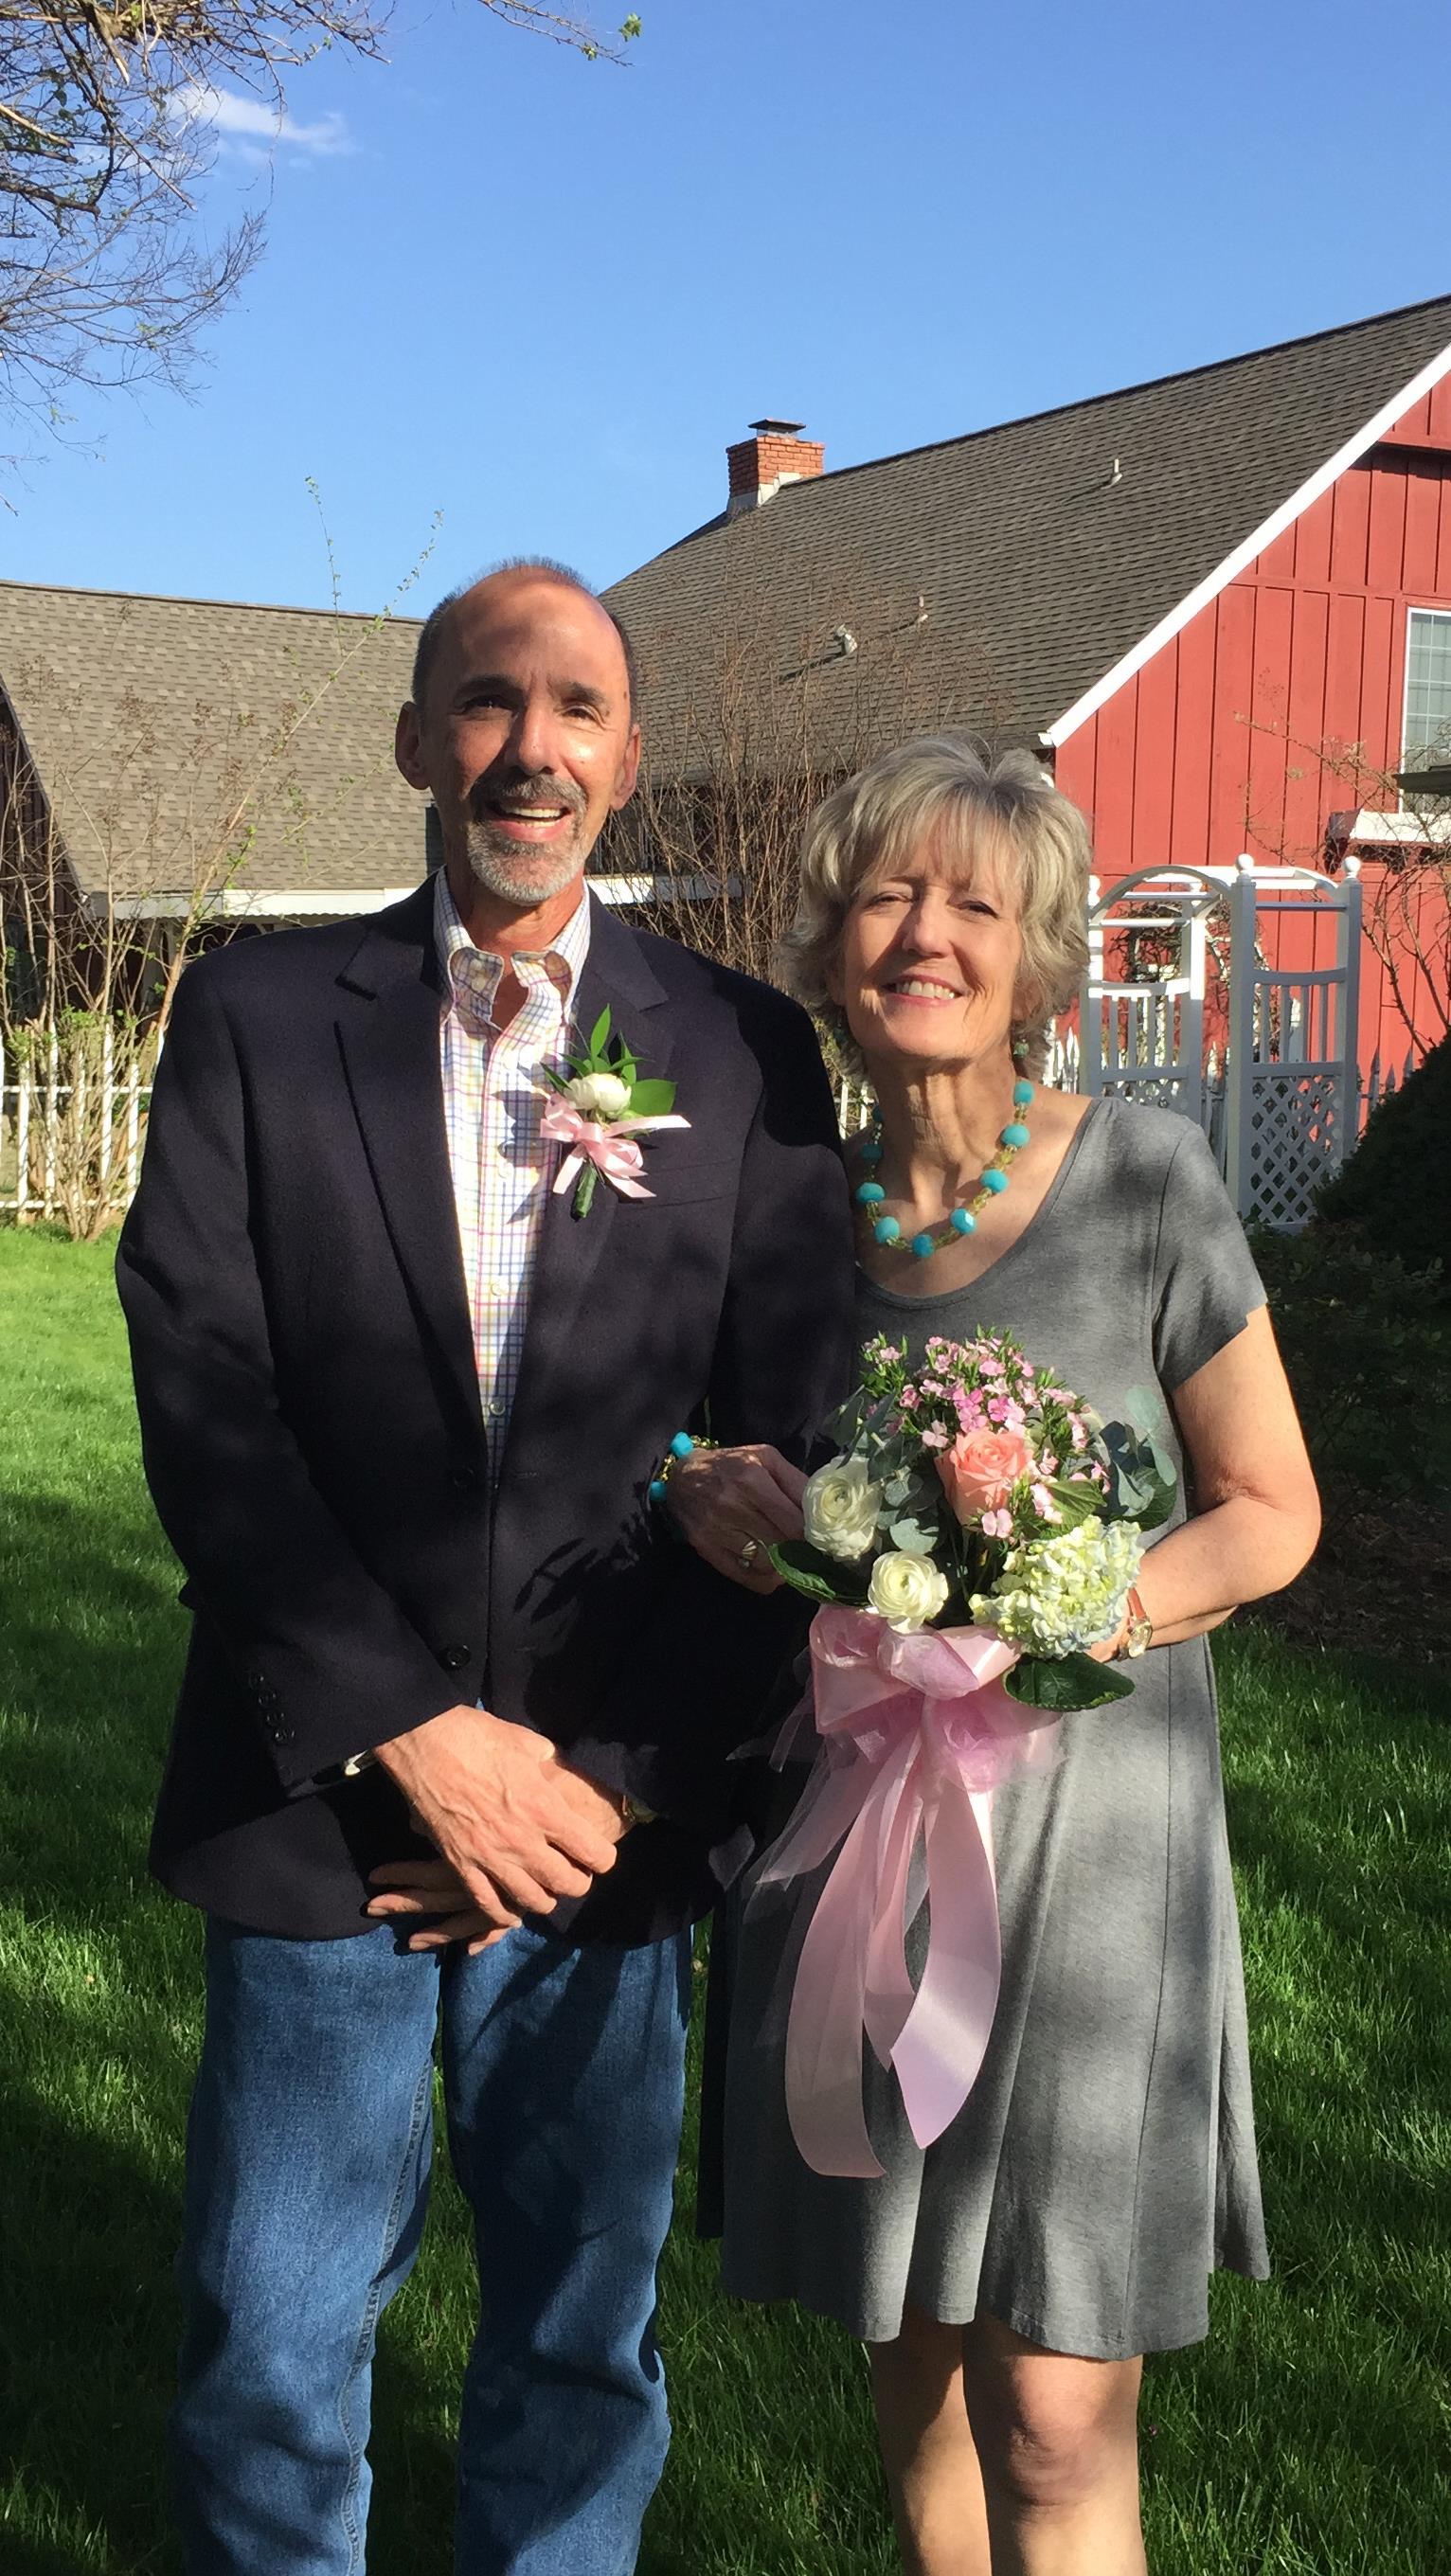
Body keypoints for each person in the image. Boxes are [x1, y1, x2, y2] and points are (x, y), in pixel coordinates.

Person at [116, 559, 853, 2576]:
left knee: (579, 2342)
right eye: (488, 702)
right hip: (320, 1794)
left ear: (629, 757)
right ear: (416, 742)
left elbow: (797, 1445)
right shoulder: (260, 1021)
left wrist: (597, 1787)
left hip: (609, 1812)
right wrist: (419, 1739)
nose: (533, 748)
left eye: (577, 709)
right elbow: (204, 1396)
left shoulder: (742, 1050)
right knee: (274, 2336)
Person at [667, 737, 1321, 2576]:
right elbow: (690, 1444)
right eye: (888, 893)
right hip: (862, 1856)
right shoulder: (793, 1218)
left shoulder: (1144, 1179)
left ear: (1036, 958)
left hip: (1093, 1865)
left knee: (1055, 2414)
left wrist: (1089, 1600)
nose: (925, 934)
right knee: (918, 2365)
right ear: (831, 940)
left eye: (975, 902)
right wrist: (704, 1490)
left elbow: (1271, 1511)